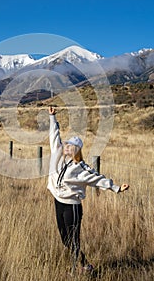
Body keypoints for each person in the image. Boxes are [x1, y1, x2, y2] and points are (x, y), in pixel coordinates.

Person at [47, 106, 129, 273]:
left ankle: (74, 270)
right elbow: (54, 137)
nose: (67, 147)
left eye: (70, 146)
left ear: (77, 150)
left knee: (73, 239)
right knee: (65, 239)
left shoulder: (82, 168)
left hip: (72, 206)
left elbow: (97, 179)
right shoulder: (58, 155)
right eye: (67, 144)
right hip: (58, 202)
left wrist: (116, 188)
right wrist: (52, 118)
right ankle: (86, 265)